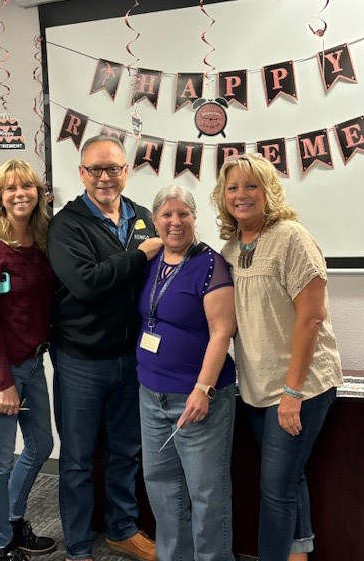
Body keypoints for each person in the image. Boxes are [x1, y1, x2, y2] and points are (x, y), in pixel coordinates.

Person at [211, 154, 343, 561]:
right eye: (232, 188)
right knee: (287, 478)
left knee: (274, 489)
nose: (241, 195)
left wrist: (292, 391)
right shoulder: (229, 249)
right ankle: (298, 552)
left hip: (299, 384)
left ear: (268, 191)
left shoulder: (291, 237)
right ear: (223, 196)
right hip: (255, 387)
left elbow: (312, 317)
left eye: (251, 186)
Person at [48, 134, 163, 561]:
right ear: (81, 173)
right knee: (77, 459)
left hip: (133, 359)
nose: (104, 177)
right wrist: (140, 255)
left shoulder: (144, 217)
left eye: (113, 168)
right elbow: (87, 283)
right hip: (81, 360)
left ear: (126, 172)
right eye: (95, 169)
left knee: (126, 450)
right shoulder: (66, 224)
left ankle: (122, 529)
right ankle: (78, 546)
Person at [137, 185, 237, 561]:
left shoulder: (211, 265)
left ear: (195, 219)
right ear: (155, 220)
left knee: (206, 494)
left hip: (197, 398)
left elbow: (222, 330)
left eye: (183, 214)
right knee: (162, 489)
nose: (175, 222)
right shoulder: (150, 260)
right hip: (151, 394)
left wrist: (203, 389)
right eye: (166, 214)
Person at [0, 159, 57, 561]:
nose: (20, 193)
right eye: (10, 188)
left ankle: (15, 520)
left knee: (40, 445)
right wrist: (3, 382)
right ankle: (1, 544)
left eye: (27, 186)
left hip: (32, 363)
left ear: (38, 193)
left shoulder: (41, 239)